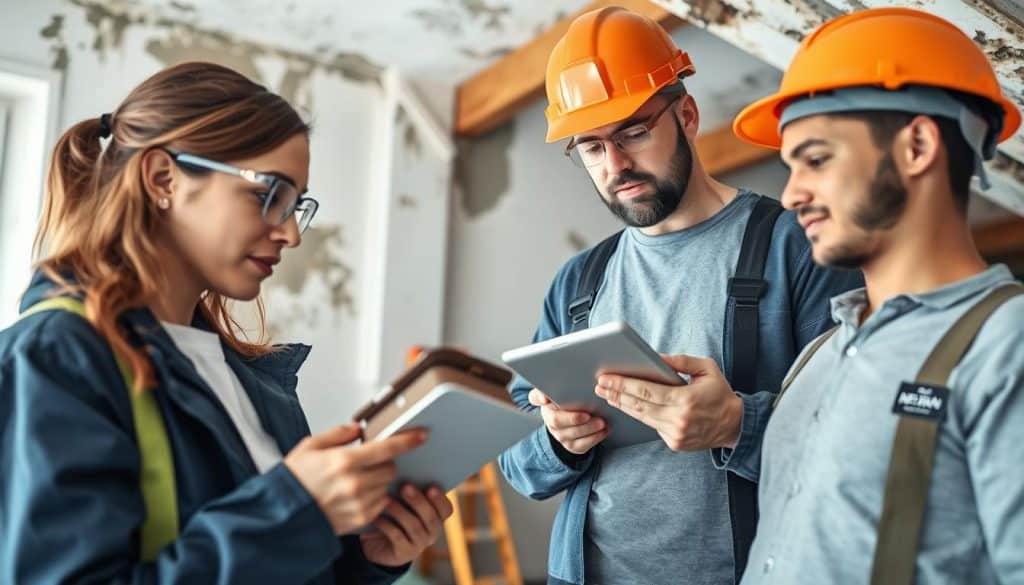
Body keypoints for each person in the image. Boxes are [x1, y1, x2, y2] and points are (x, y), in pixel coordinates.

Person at [599, 7, 1023, 584]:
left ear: (918, 146)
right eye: (790, 166)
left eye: (817, 160)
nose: (792, 194)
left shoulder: (1006, 347)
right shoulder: (819, 357)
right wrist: (731, 422)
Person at [0, 61, 452, 583]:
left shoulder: (254, 380)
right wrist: (294, 511)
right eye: (269, 195)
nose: (291, 234)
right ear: (163, 178)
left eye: (296, 204)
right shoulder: (56, 356)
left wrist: (366, 559)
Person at [497, 7, 862, 585]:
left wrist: (739, 424)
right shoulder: (577, 284)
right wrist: (557, 443)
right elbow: (519, 465)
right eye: (590, 147)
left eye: (633, 132)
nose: (615, 165)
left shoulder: (798, 246)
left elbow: (862, 443)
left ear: (686, 114)